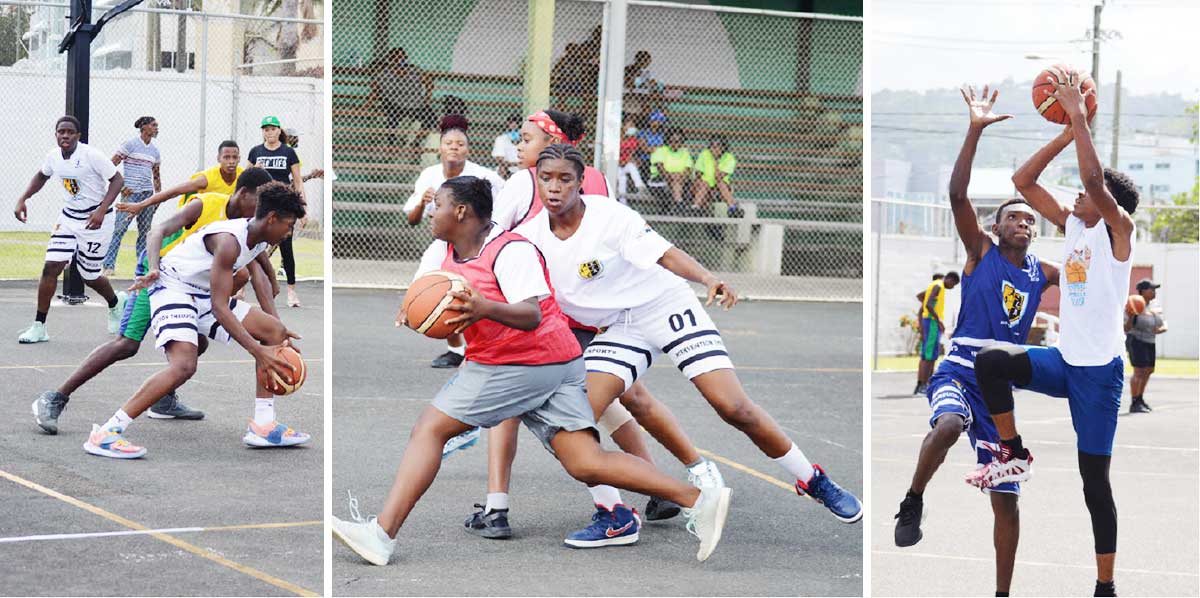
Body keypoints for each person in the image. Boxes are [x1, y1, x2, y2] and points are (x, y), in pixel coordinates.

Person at [332, 176, 732, 565]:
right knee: (584, 461)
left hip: (521, 361)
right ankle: (699, 500)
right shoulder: (451, 250)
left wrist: (483, 309)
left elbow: (530, 314)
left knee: (430, 429)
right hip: (552, 363)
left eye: (437, 205)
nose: (431, 212)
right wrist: (416, 307)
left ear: (461, 211)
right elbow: (434, 288)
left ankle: (381, 535)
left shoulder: (511, 251)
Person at [513, 144, 862, 546]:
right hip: (620, 327)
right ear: (536, 180)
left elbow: (665, 254)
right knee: (574, 422)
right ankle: (615, 514)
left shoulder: (610, 217)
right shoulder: (529, 238)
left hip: (664, 304)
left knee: (733, 407)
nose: (554, 187)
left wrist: (707, 278)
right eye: (546, 178)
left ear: (580, 182)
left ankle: (813, 479)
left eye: (565, 179)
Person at [466, 113, 728, 538]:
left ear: (553, 145)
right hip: (592, 317)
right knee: (623, 402)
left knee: (536, 409)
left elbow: (491, 242)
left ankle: (511, 507)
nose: (520, 147)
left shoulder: (524, 183)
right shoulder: (593, 183)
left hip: (553, 317)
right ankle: (670, 480)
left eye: (527, 139)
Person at [971, 71, 1139, 598]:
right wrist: (1066, 131)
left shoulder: (1120, 235)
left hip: (1099, 378)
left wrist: (1082, 117)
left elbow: (1093, 183)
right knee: (993, 360)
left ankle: (1105, 584)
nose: (1079, 196)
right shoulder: (1071, 226)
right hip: (1064, 362)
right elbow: (1022, 182)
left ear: (1109, 205)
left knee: (1095, 485)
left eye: (1091, 194)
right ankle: (1013, 449)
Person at [891, 86, 1057, 598]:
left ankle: (1002, 593)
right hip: (959, 370)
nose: (1023, 222)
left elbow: (1093, 270)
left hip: (999, 390)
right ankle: (913, 499)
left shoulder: (1045, 271)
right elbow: (958, 195)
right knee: (946, 424)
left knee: (1007, 502)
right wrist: (975, 129)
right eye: (1014, 216)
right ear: (996, 227)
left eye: (1029, 217)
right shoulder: (980, 253)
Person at [33, 168, 279, 433]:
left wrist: (277, 328)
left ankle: (163, 399)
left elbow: (257, 272)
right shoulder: (207, 203)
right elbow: (157, 230)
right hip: (160, 275)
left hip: (192, 287)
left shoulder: (247, 228)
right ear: (243, 194)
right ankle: (55, 397)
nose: (260, 213)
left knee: (198, 343)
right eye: (259, 204)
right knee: (126, 344)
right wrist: (153, 268)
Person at [85, 181, 309, 459]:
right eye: (288, 226)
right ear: (272, 218)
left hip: (200, 292)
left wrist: (278, 334)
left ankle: (263, 425)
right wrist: (257, 351)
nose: (288, 233)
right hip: (172, 287)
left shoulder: (259, 236)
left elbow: (257, 281)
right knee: (183, 366)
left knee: (273, 331)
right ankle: (107, 432)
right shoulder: (229, 241)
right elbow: (219, 307)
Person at [14, 116, 128, 344]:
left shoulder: (92, 155)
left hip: (98, 220)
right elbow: (41, 175)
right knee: (50, 267)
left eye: (69, 132)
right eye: (60, 132)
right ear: (56, 134)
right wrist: (23, 198)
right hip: (68, 219)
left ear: (78, 136)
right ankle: (39, 326)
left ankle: (116, 303)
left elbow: (117, 180)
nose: (64, 136)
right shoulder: (53, 157)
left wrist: (100, 210)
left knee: (90, 276)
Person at [403, 114, 504, 369]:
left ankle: (485, 347)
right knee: (433, 287)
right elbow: (413, 221)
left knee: (479, 293)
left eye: (460, 144)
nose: (454, 148)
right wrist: (423, 203)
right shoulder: (429, 175)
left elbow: (503, 209)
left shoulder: (485, 177)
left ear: (468, 149)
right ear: (440, 147)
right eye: (449, 143)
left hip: (481, 243)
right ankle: (455, 349)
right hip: (446, 243)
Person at [248, 116, 307, 308]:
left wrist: (303, 208)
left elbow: (297, 181)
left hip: (283, 204)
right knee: (250, 245)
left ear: (278, 130)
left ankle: (291, 291)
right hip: (261, 205)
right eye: (265, 129)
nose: (269, 132)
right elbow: (245, 178)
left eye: (272, 129)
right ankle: (240, 289)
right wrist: (254, 170)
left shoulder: (288, 152)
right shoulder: (256, 152)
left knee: (286, 248)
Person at [118, 140, 244, 217]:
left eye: (234, 157)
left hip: (227, 220)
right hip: (201, 220)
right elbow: (173, 192)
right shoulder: (206, 179)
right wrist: (141, 205)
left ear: (239, 158)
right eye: (226, 157)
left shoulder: (243, 177)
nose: (231, 161)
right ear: (218, 159)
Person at [102, 116, 161, 276]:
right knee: (119, 229)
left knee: (144, 231)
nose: (156, 128)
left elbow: (156, 176)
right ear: (144, 127)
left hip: (147, 195)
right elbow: (111, 164)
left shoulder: (155, 151)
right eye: (153, 125)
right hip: (130, 194)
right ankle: (108, 266)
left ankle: (141, 267)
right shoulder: (130, 145)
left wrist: (158, 197)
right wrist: (121, 185)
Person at [369, 47, 435, 154]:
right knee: (391, 119)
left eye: (402, 57)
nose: (400, 60)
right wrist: (368, 105)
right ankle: (392, 145)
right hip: (395, 104)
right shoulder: (383, 73)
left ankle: (416, 143)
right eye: (396, 57)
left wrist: (427, 99)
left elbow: (429, 82)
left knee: (431, 119)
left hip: (415, 103)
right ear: (391, 59)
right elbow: (375, 91)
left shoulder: (415, 70)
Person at [914, 270, 959, 395]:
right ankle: (922, 385)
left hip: (929, 321)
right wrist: (939, 320)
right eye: (953, 285)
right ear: (950, 279)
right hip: (932, 322)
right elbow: (928, 304)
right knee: (928, 356)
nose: (952, 288)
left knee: (931, 355)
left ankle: (926, 384)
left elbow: (922, 297)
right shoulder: (939, 286)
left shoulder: (934, 284)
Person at [1125, 278, 1166, 413]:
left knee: (1149, 370)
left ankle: (1140, 398)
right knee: (1139, 371)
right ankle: (1134, 402)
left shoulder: (1155, 306)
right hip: (1136, 340)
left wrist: (1161, 329)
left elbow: (1163, 323)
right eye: (1151, 289)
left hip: (1150, 341)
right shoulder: (1133, 303)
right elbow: (1126, 328)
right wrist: (1131, 316)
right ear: (1142, 291)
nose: (1154, 291)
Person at [690, 135, 738, 213]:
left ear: (723, 147)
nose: (714, 148)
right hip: (704, 184)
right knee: (704, 184)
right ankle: (695, 207)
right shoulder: (705, 153)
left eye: (718, 146)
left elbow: (718, 177)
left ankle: (732, 207)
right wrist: (701, 183)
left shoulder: (729, 158)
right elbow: (698, 173)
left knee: (720, 184)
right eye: (712, 145)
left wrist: (715, 161)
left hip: (721, 186)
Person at [650, 127, 693, 206]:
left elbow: (688, 170)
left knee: (677, 182)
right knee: (675, 182)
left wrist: (680, 177)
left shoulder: (685, 152)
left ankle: (678, 203)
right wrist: (671, 176)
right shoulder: (661, 150)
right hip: (661, 178)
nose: (675, 143)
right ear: (668, 140)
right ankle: (679, 203)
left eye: (678, 141)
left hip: (680, 180)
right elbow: (660, 168)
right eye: (672, 140)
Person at [616, 117, 644, 202]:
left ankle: (640, 187)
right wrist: (622, 161)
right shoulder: (616, 138)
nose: (633, 127)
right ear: (624, 127)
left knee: (631, 166)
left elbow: (631, 155)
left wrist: (630, 160)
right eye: (630, 125)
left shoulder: (633, 140)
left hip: (625, 164)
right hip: (615, 166)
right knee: (623, 179)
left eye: (633, 125)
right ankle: (622, 202)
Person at [490, 114, 521, 179]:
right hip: (506, 169)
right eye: (511, 123)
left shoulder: (524, 140)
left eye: (516, 123)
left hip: (520, 170)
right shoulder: (501, 139)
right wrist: (516, 164)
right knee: (502, 168)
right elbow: (500, 159)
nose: (514, 125)